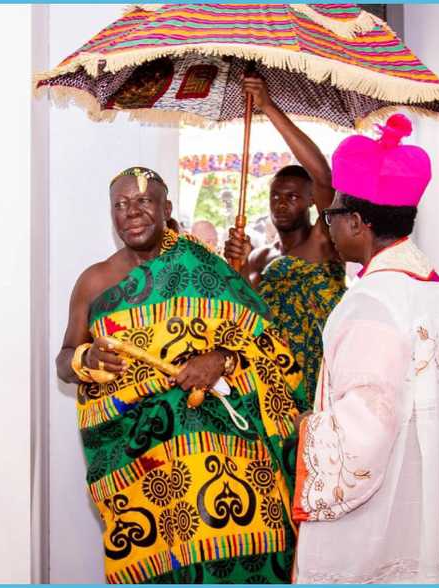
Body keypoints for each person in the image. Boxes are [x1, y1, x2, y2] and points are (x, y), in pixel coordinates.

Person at [55, 167, 306, 583]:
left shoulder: (202, 265)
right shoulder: (94, 281)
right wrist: (85, 360)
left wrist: (221, 358)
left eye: (143, 201)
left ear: (166, 208)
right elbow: (64, 359)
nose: (131, 213)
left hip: (220, 452)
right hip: (138, 460)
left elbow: (266, 341)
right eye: (120, 205)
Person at [291, 114, 439, 583]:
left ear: (357, 222)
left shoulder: (371, 303)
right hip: (426, 497)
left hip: (381, 517)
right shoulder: (432, 288)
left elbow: (366, 426)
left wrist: (310, 433)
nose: (327, 224)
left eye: (332, 213)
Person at [224, 76, 346, 407]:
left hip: (325, 385)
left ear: (310, 200)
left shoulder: (326, 240)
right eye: (275, 195)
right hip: (274, 389)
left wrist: (267, 106)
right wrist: (237, 264)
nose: (280, 203)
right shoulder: (263, 256)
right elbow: (246, 316)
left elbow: (322, 174)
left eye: (292, 196)